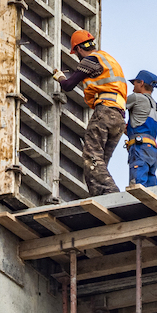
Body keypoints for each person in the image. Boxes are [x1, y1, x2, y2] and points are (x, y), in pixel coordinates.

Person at [52, 30, 129, 196]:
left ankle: (110, 193)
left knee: (91, 157)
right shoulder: (107, 59)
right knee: (99, 162)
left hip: (105, 111)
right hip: (119, 117)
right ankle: (100, 195)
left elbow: (69, 85)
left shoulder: (91, 59)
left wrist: (60, 78)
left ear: (79, 49)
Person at [125, 70, 157, 187]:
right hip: (153, 151)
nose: (133, 86)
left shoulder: (137, 98)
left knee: (137, 187)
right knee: (150, 188)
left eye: (135, 83)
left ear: (141, 83)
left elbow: (116, 105)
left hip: (140, 148)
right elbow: (140, 125)